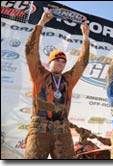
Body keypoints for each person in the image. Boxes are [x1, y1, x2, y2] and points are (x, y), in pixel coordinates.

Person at [24, 11, 90, 159]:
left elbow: (81, 63)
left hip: (62, 129)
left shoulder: (68, 80)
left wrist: (85, 37)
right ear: (50, 62)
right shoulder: (40, 74)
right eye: (57, 60)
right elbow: (30, 52)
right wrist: (40, 24)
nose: (60, 63)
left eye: (63, 61)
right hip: (40, 128)